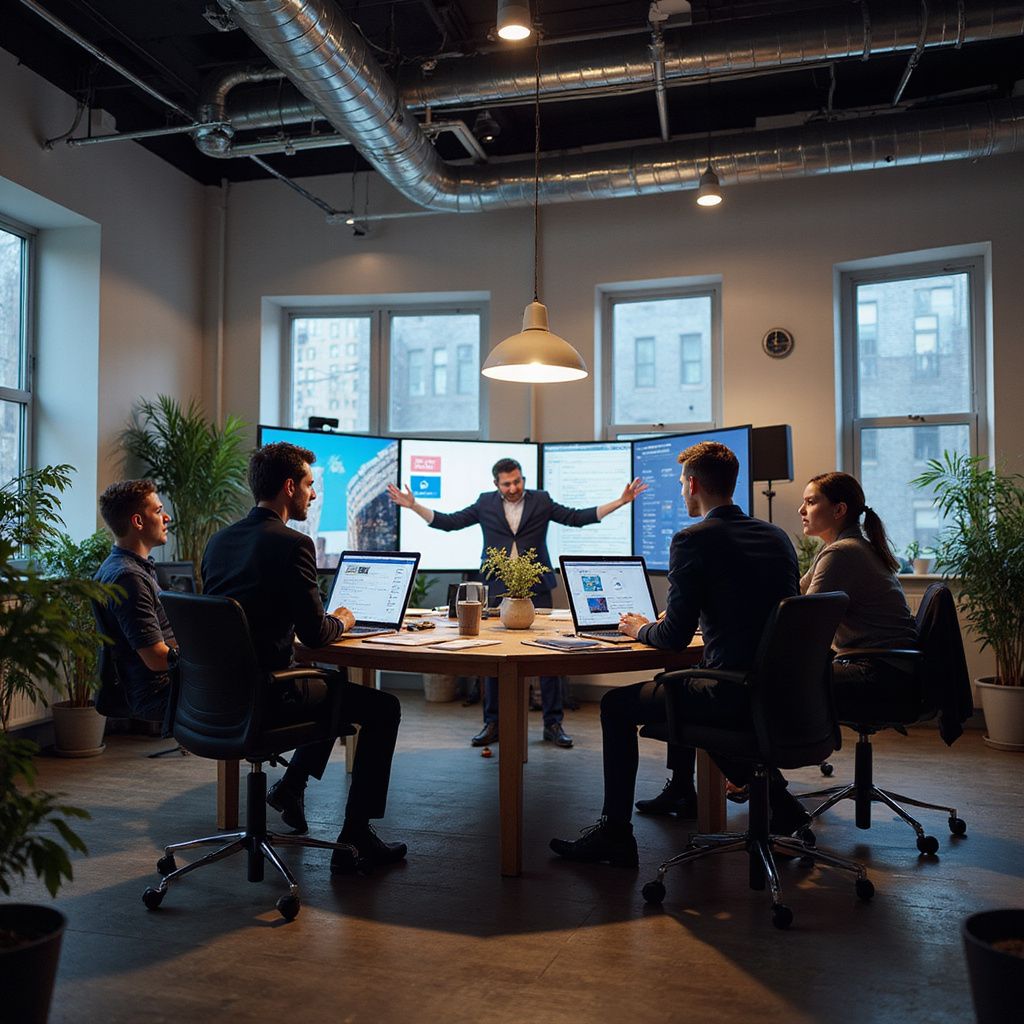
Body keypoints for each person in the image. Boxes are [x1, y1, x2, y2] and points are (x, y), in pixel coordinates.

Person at [549, 440, 803, 868]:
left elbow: (671, 638)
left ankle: (615, 832)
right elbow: (750, 609)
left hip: (732, 695)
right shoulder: (775, 536)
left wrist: (637, 627)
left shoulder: (693, 539)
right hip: (782, 693)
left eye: (681, 484)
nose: (681, 493)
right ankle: (772, 803)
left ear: (692, 484)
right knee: (688, 680)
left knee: (615, 705)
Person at [202, 441, 406, 872]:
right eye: (310, 486)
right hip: (270, 695)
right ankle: (356, 834)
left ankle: (292, 788)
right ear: (290, 486)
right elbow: (315, 634)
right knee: (382, 707)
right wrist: (345, 620)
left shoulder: (219, 541)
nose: (313, 496)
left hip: (216, 695)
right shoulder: (293, 543)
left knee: (327, 687)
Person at [387, 458, 646, 749]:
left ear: (522, 478)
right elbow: (450, 522)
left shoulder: (542, 500)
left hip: (537, 586)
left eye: (517, 481)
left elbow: (577, 517)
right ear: (496, 484)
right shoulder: (485, 503)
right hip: (498, 588)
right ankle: (493, 722)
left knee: (551, 655)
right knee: (494, 655)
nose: (514, 488)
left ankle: (552, 724)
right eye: (507, 483)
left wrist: (621, 502)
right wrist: (413, 506)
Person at [799, 472, 919, 718]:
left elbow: (805, 620)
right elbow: (795, 593)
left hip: (880, 672)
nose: (802, 510)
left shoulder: (843, 553)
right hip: (892, 668)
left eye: (811, 502)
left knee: (776, 679)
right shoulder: (843, 547)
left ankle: (792, 753)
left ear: (839, 509)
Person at [94, 480, 176, 723]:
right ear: (138, 522)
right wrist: (206, 655)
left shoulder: (123, 567)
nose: (167, 517)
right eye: (159, 511)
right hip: (160, 690)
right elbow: (156, 658)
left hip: (163, 683)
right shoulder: (128, 578)